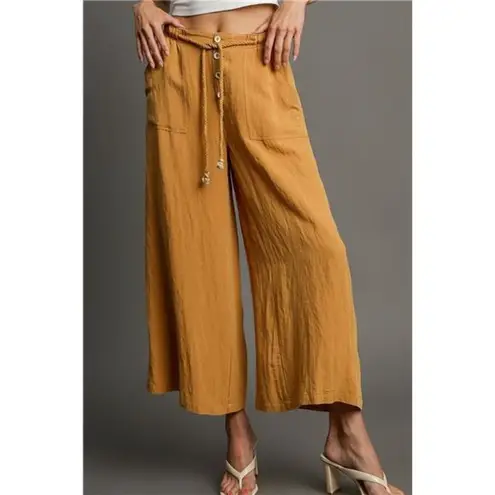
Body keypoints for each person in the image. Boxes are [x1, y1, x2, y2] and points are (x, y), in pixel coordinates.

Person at [133, 1, 404, 494]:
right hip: (177, 61)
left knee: (318, 249)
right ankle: (238, 434)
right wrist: (141, 5)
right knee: (200, 262)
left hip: (259, 55)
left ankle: (347, 432)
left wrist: (296, 3)